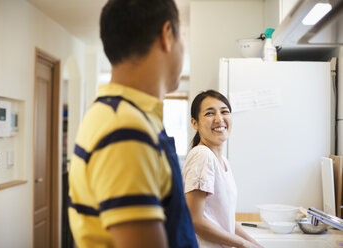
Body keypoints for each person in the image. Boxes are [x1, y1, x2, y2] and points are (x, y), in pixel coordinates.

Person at [68, 0, 198, 247]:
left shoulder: (120, 114)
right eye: (184, 37)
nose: (184, 47)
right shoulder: (124, 128)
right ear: (167, 35)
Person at [182, 90, 263, 248]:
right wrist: (243, 244)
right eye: (209, 113)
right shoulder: (202, 155)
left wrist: (254, 244)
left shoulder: (222, 161)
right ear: (194, 123)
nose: (219, 119)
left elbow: (225, 220)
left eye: (224, 112)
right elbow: (195, 220)